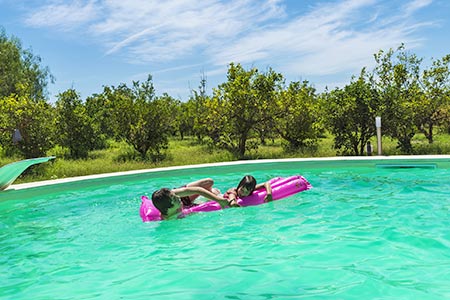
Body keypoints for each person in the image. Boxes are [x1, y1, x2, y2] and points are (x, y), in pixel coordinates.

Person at [151, 178, 232, 220]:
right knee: (212, 193)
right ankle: (213, 192)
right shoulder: (167, 216)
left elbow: (197, 189)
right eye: (175, 199)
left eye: (176, 195)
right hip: (183, 207)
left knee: (209, 182)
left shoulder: (172, 194)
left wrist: (218, 200)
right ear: (169, 208)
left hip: (185, 198)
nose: (178, 197)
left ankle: (213, 193)